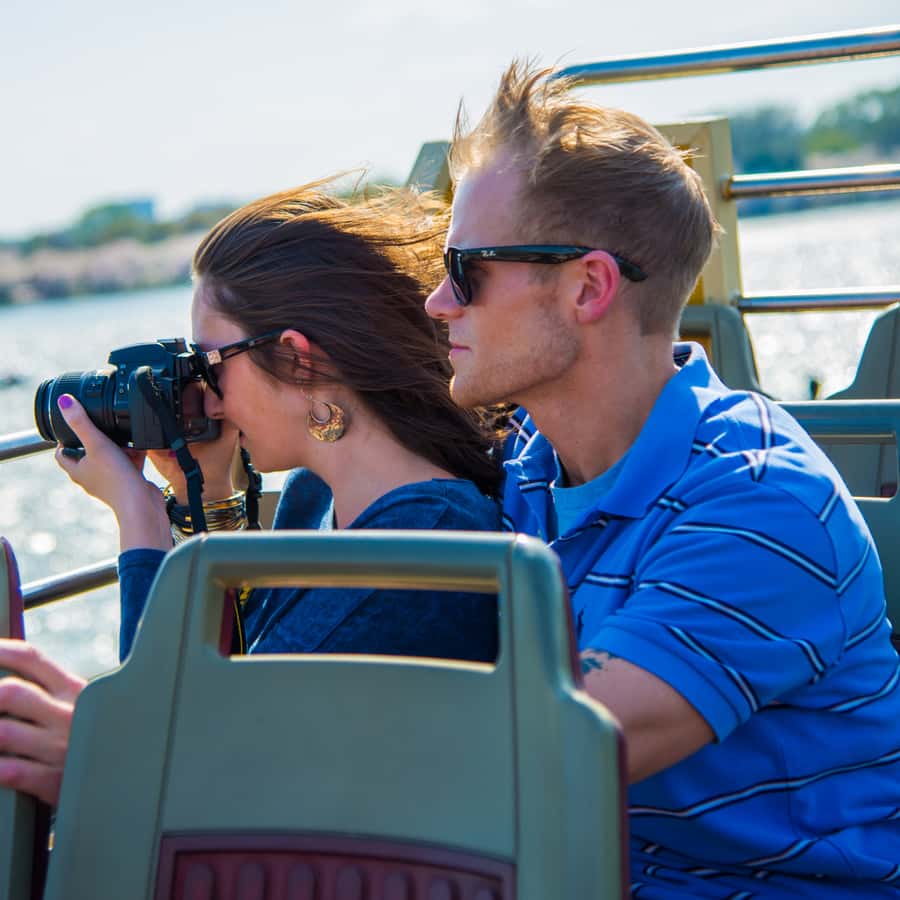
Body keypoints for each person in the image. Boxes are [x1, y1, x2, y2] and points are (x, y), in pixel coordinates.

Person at [423, 62, 900, 897]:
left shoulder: (759, 503)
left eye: (467, 269)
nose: (438, 301)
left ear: (588, 287)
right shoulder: (533, 467)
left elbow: (551, 753)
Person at [0, 182, 501, 807]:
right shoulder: (317, 500)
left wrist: (140, 521)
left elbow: (178, 781)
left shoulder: (422, 550)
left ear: (296, 361)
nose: (208, 401)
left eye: (212, 366)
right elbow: (221, 697)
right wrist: (204, 494)